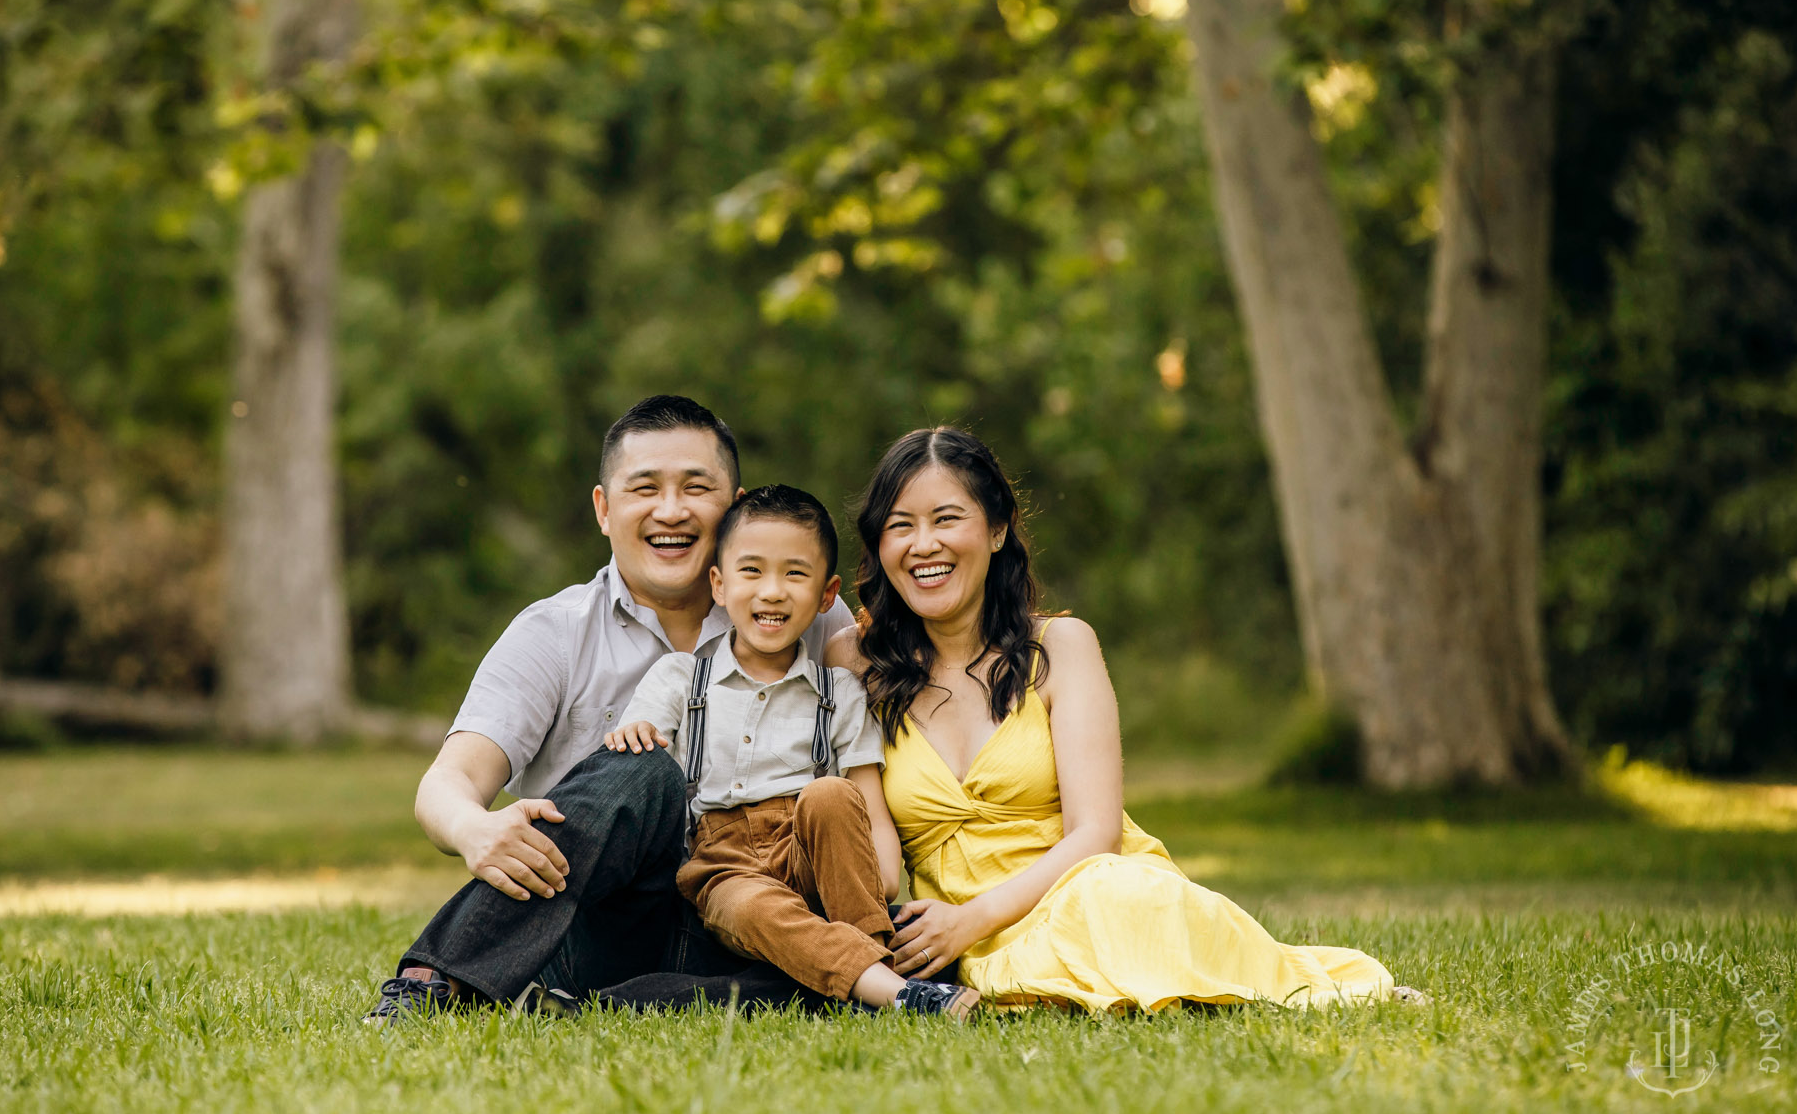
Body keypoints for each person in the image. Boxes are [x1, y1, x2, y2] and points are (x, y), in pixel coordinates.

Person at [829, 426, 1420, 1013]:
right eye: (899, 525)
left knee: (1118, 901)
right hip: (951, 932)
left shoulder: (1062, 646)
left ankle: (1289, 984)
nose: (923, 544)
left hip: (1079, 891)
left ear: (998, 529)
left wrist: (970, 920)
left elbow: (1096, 834)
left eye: (947, 519)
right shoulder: (856, 664)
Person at [367, 396, 853, 1020]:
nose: (670, 510)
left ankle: (603, 1009)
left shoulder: (807, 614)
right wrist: (474, 829)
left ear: (735, 507)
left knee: (872, 955)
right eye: (644, 488)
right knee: (646, 765)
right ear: (603, 508)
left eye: (696, 488)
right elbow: (447, 781)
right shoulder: (554, 632)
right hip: (608, 925)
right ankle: (435, 981)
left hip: (759, 917)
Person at [606, 484, 979, 1018]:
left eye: (795, 574)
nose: (773, 592)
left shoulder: (839, 693)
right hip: (723, 867)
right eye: (752, 571)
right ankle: (894, 987)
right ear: (719, 583)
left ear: (827, 596)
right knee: (756, 906)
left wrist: (878, 884)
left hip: (814, 855)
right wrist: (632, 733)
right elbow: (637, 742)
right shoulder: (680, 679)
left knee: (828, 792)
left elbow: (868, 814)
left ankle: (871, 977)